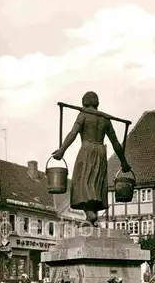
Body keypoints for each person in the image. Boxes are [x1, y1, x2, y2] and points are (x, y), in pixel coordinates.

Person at [53, 91, 131, 226]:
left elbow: (73, 133)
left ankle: (90, 214)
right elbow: (116, 143)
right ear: (97, 103)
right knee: (96, 182)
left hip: (87, 149)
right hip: (101, 151)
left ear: (84, 102)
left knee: (81, 181)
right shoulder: (105, 119)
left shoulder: (83, 115)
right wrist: (124, 162)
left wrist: (61, 151)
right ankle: (92, 217)